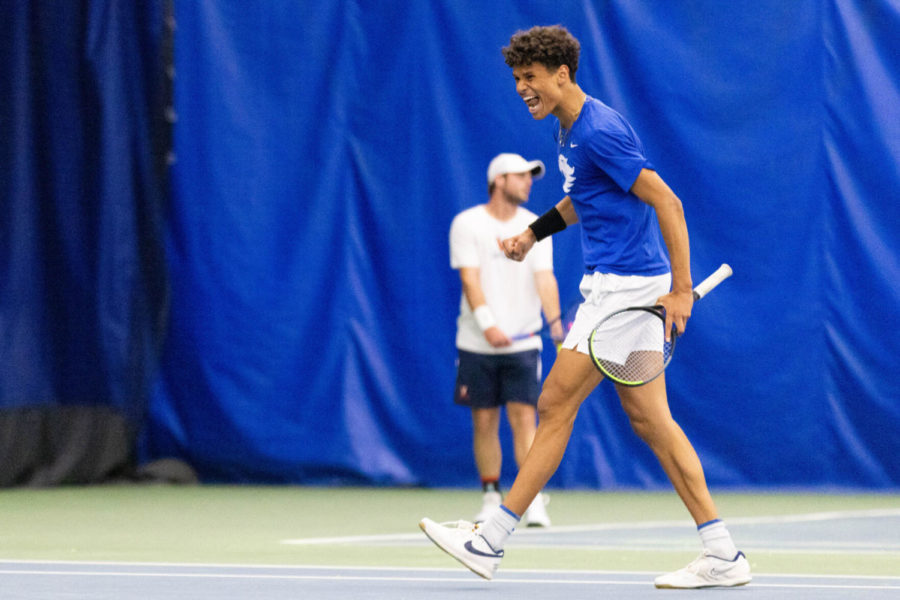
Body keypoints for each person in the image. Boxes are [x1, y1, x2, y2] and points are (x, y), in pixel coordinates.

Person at [420, 25, 751, 589]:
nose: (522, 89)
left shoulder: (598, 129)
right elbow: (586, 196)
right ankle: (721, 551)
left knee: (553, 405)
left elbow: (666, 200)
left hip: (624, 291)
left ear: (562, 74)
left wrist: (680, 287)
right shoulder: (569, 130)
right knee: (652, 422)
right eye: (517, 80)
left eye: (530, 79)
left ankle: (489, 540)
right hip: (620, 287)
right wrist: (533, 233)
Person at [449, 153, 565, 528]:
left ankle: (530, 502)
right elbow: (470, 279)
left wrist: (557, 326)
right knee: (484, 421)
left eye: (531, 176)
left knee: (524, 420)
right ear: (499, 180)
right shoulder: (467, 224)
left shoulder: (535, 225)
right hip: (475, 342)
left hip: (524, 343)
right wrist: (488, 326)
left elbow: (544, 278)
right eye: (521, 176)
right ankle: (490, 495)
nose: (529, 182)